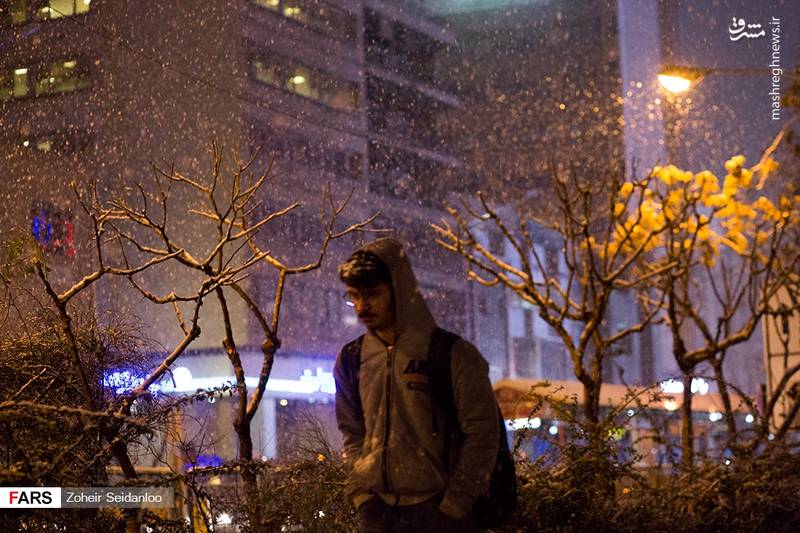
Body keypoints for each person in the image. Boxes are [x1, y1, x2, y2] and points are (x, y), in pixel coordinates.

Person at [333, 238, 499, 533]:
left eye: (372, 295)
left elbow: (482, 433)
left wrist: (456, 503)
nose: (361, 306)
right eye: (353, 296)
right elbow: (352, 431)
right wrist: (361, 493)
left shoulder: (449, 353)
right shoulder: (352, 358)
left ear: (399, 289)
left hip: (438, 513)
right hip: (377, 512)